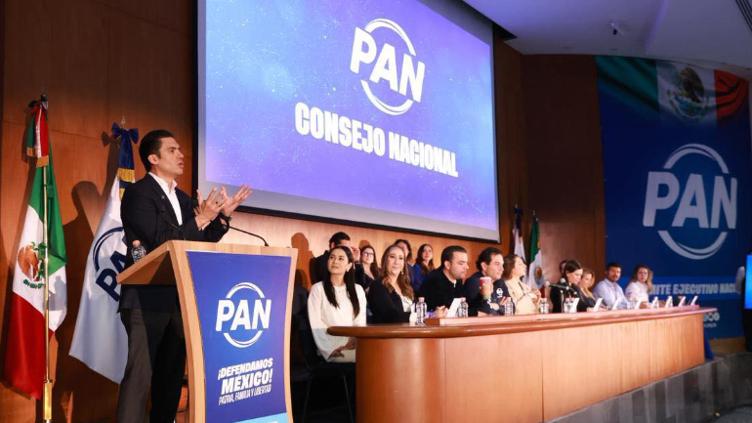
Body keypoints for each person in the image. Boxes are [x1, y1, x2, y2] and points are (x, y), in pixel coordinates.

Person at [118, 129, 251, 422]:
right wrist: (202, 218)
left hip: (181, 299)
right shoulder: (138, 194)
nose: (181, 155)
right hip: (147, 299)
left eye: (180, 149)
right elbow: (160, 242)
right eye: (172, 150)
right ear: (153, 158)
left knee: (170, 379)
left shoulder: (182, 197)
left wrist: (222, 217)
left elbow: (199, 239)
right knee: (140, 377)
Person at [307, 246, 367, 363]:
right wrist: (329, 350)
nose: (335, 261)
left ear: (349, 266)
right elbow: (316, 324)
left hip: (352, 345)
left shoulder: (358, 290)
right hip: (330, 347)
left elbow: (359, 321)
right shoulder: (318, 289)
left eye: (340, 258)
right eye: (332, 257)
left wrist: (354, 341)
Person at [367, 245, 415, 323]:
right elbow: (390, 316)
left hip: (411, 329)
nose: (396, 262)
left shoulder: (406, 287)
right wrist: (418, 316)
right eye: (392, 257)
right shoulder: (377, 286)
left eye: (401, 258)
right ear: (385, 261)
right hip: (387, 330)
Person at [420, 245, 469, 313]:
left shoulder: (458, 279)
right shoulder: (433, 281)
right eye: (461, 263)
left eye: (466, 263)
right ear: (447, 265)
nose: (467, 267)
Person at [464, 247, 505, 316]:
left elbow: (511, 307)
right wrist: (499, 306)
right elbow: (484, 311)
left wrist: (497, 306)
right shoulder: (474, 282)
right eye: (497, 264)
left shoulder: (500, 282)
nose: (502, 269)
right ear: (484, 266)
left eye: (502, 265)